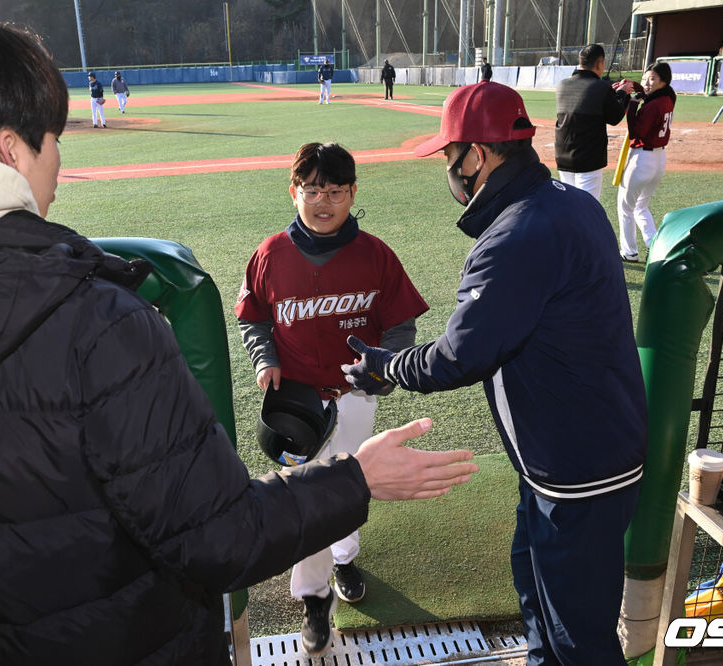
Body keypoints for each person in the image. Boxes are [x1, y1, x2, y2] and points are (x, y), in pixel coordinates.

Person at [0, 16, 478, 665]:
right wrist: (360, 479)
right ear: (12, 149)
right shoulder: (96, 320)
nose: (58, 159)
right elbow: (220, 537)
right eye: (53, 138)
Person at [342, 81, 647, 666]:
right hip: (573, 455)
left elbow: (462, 354)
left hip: (577, 468)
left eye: (449, 156)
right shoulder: (568, 202)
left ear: (476, 156)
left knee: (578, 635)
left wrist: (385, 365)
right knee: (537, 588)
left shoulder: (516, 235)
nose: (448, 172)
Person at [235, 141, 430, 655]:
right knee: (308, 495)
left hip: (354, 395)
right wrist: (264, 358)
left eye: (336, 191)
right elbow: (254, 315)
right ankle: (313, 597)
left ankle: (344, 555)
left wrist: (384, 367)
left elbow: (400, 323)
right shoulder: (271, 254)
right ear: (294, 191)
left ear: (353, 194)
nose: (324, 201)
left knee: (351, 483)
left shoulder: (375, 254)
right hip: (297, 403)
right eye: (312, 188)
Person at [614, 62, 676, 263]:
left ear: (663, 81)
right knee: (641, 206)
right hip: (659, 159)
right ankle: (655, 245)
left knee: (626, 207)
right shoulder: (668, 96)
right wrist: (637, 85)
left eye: (652, 79)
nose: (647, 83)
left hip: (642, 158)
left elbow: (636, 132)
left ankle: (629, 252)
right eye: (645, 78)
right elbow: (649, 92)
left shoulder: (654, 104)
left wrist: (632, 104)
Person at [554, 43, 627, 201]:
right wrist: (623, 94)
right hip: (588, 158)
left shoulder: (562, 85)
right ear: (600, 63)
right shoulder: (601, 87)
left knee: (568, 203)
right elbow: (615, 118)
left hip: (563, 155)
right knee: (588, 207)